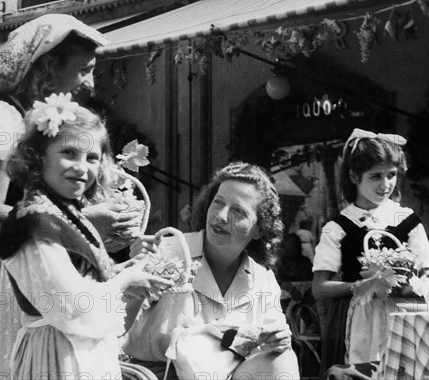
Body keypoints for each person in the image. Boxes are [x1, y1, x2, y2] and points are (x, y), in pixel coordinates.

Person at [0, 14, 143, 374]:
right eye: (84, 70)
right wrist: (80, 220)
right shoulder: (2, 119)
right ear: (47, 67)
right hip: (18, 268)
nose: (90, 83)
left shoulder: (58, 125)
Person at [0, 100, 173, 378]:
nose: (81, 167)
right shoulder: (36, 220)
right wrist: (124, 281)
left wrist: (130, 269)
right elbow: (72, 307)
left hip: (82, 352)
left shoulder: (64, 213)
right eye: (69, 153)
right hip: (57, 356)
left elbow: (82, 281)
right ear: (39, 157)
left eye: (92, 158)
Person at [126, 162, 299, 379]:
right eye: (218, 203)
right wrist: (132, 276)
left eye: (238, 211)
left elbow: (276, 346)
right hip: (158, 374)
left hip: (229, 374)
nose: (221, 216)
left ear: (258, 230)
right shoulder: (170, 251)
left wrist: (278, 338)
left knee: (283, 359)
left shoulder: (263, 279)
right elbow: (117, 323)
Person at [311, 128, 429, 369]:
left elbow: (428, 275)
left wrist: (414, 284)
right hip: (359, 318)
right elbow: (319, 288)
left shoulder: (407, 219)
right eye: (375, 176)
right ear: (353, 176)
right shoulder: (338, 226)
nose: (386, 184)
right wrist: (362, 285)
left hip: (404, 315)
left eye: (391, 175)